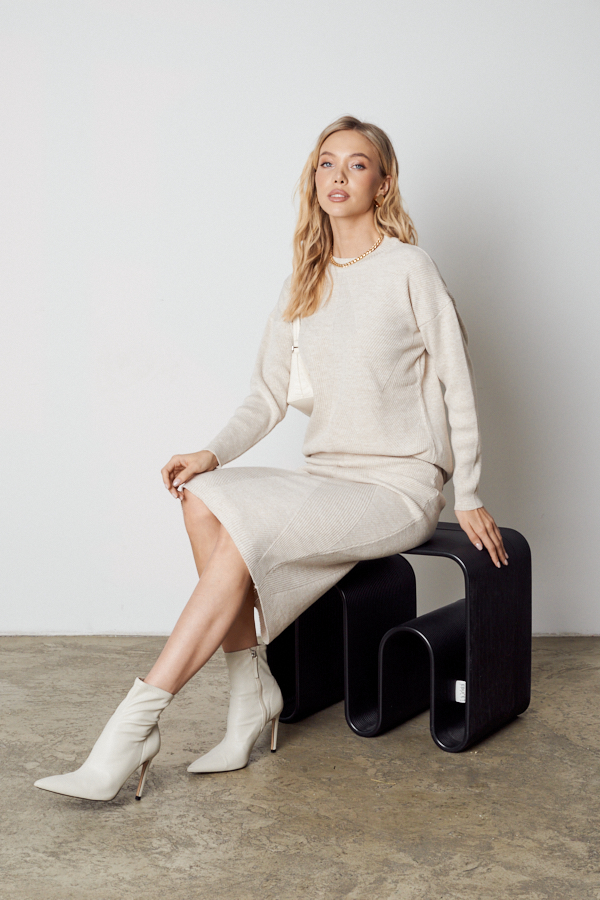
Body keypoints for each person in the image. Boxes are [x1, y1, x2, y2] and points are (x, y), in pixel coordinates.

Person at [34, 116, 508, 802]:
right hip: (328, 479)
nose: (338, 176)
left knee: (240, 537)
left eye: (357, 164)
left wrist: (469, 492)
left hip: (396, 488)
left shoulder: (410, 268)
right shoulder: (303, 282)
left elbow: (457, 382)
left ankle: (131, 728)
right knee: (203, 497)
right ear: (314, 180)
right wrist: (210, 452)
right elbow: (266, 395)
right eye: (326, 163)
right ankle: (249, 693)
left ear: (383, 184)